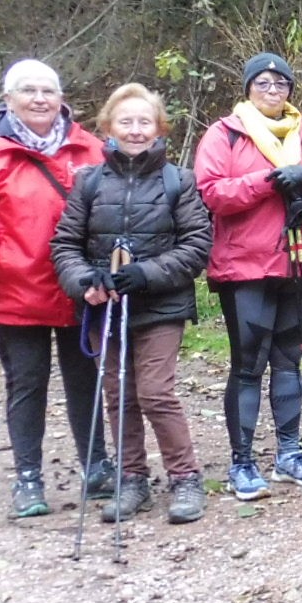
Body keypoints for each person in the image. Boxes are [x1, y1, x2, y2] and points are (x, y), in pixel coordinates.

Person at [0, 59, 112, 518]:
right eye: (28, 91)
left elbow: (116, 206)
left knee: (85, 379)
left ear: (61, 99)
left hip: (78, 287)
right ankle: (28, 479)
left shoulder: (88, 149)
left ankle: (96, 466)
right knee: (27, 383)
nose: (40, 99)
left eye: (48, 91)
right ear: (9, 99)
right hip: (15, 288)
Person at [50, 84, 214, 523]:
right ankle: (132, 479)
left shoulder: (178, 180)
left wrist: (147, 273)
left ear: (159, 127)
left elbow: (197, 244)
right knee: (118, 393)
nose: (136, 130)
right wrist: (87, 279)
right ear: (108, 127)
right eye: (126, 121)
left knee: (156, 392)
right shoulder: (88, 182)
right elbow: (65, 244)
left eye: (145, 122)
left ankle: (185, 478)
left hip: (161, 305)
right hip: (105, 307)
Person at [195, 54, 302, 500]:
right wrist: (269, 180)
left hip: (301, 263)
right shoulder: (225, 133)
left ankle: (289, 452)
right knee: (249, 363)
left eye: (280, 84)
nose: (272, 90)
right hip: (246, 266)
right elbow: (212, 193)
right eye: (262, 83)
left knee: (289, 360)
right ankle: (242, 462)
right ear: (248, 88)